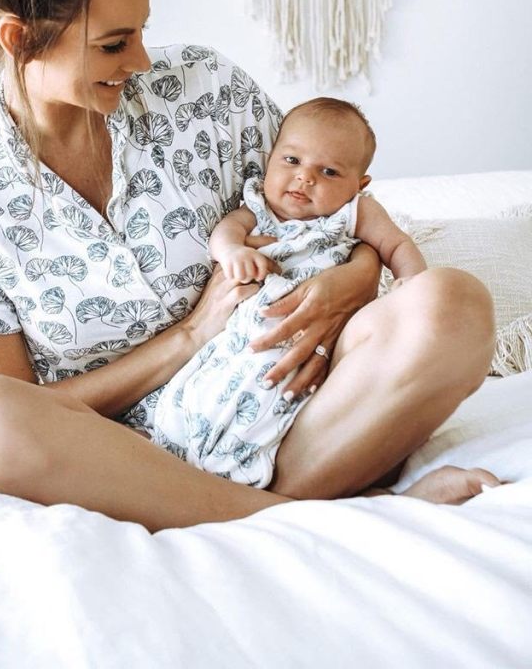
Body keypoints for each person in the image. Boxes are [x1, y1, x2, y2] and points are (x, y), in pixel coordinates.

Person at [0, 0, 499, 533]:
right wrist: (188, 339)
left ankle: (270, 511)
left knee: (454, 305)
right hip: (117, 462)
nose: (142, 63)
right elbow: (27, 406)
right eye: (113, 43)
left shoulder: (204, 90)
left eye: (143, 30)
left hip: (289, 410)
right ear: (20, 36)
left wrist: (351, 278)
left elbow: (330, 204)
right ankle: (321, 521)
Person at [152, 97, 427, 487]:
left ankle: (366, 478)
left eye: (329, 171)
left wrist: (413, 286)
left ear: (358, 185)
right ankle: (209, 455)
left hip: (324, 342)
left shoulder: (356, 213)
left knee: (362, 404)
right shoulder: (258, 207)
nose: (305, 178)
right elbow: (226, 231)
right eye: (292, 161)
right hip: (251, 336)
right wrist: (234, 251)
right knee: (212, 394)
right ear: (271, 157)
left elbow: (397, 246)